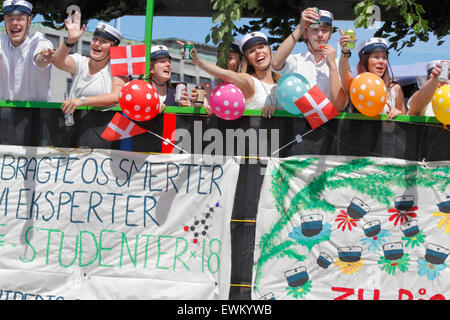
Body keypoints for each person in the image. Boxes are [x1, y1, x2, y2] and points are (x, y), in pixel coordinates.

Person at [183, 31, 280, 118]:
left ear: (269, 50)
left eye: (261, 47)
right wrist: (198, 61)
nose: (258, 52)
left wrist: (278, 111)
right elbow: (226, 74)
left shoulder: (284, 82)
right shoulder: (248, 80)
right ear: (248, 60)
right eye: (251, 51)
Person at [48, 11, 128, 114]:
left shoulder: (117, 68)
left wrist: (82, 101)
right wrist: (70, 41)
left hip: (102, 127)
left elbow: (117, 96)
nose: (97, 44)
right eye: (95, 39)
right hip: (75, 124)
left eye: (103, 42)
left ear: (113, 48)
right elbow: (57, 61)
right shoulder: (80, 62)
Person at [271, 8, 347, 111]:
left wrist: (332, 66)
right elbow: (275, 63)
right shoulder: (296, 60)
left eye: (325, 30)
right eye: (315, 29)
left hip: (331, 125)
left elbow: (339, 106)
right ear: (305, 34)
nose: (320, 34)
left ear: (330, 35)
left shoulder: (338, 63)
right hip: (297, 125)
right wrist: (300, 27)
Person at [339, 35, 406, 119]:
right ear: (365, 61)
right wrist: (345, 51)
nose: (381, 61)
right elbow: (343, 73)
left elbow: (404, 124)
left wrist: (398, 114)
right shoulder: (355, 84)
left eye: (384, 57)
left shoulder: (394, 89)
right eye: (376, 57)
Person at [0, 0, 53, 101]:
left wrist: (44, 58)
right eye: (10, 19)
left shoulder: (39, 41)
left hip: (36, 113)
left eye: (20, 19)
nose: (14, 23)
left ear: (29, 22)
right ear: (5, 22)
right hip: (4, 112)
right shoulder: (1, 43)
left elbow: (40, 60)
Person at [149, 45, 191, 109]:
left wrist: (187, 109)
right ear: (150, 69)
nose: (168, 64)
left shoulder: (176, 95)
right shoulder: (141, 93)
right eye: (162, 62)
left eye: (169, 62)